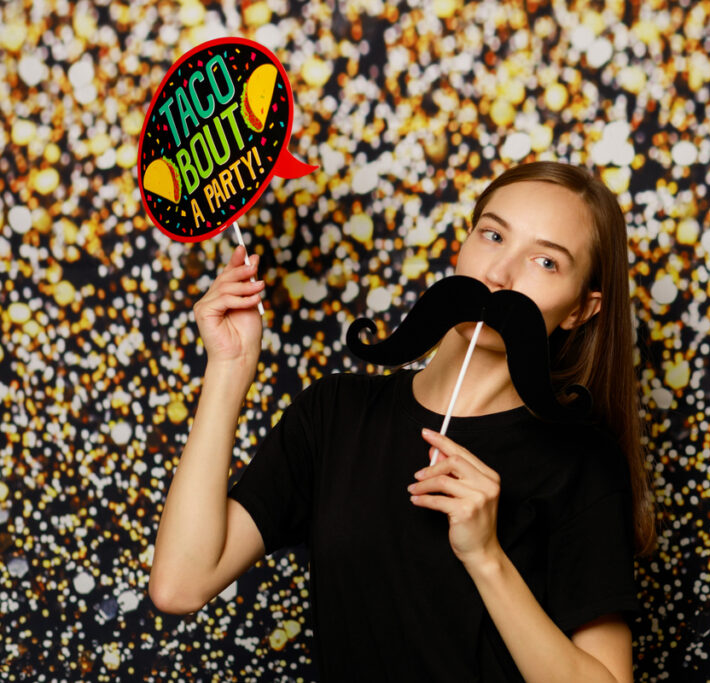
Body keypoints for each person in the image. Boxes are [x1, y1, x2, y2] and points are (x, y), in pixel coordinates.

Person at [149, 161, 655, 682]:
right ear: (464, 243)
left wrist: (486, 557)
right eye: (493, 234)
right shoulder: (336, 412)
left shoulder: (581, 464)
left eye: (545, 262)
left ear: (581, 310)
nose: (499, 275)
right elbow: (180, 583)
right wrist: (229, 369)